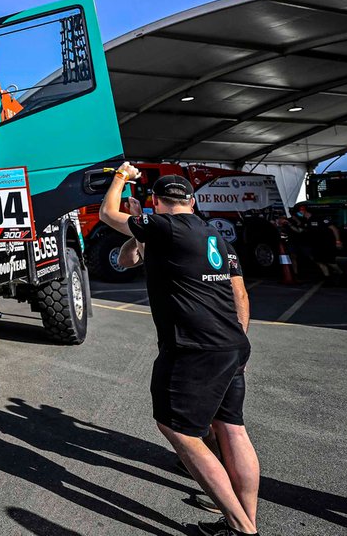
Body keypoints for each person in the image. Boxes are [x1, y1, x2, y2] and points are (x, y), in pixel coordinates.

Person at [100, 163, 260, 536]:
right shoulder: (214, 236)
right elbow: (128, 260)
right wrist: (238, 344)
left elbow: (108, 213)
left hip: (193, 348)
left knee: (179, 430)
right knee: (232, 429)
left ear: (156, 201)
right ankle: (244, 519)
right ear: (192, 200)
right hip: (231, 344)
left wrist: (121, 177)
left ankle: (242, 529)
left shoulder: (164, 227)